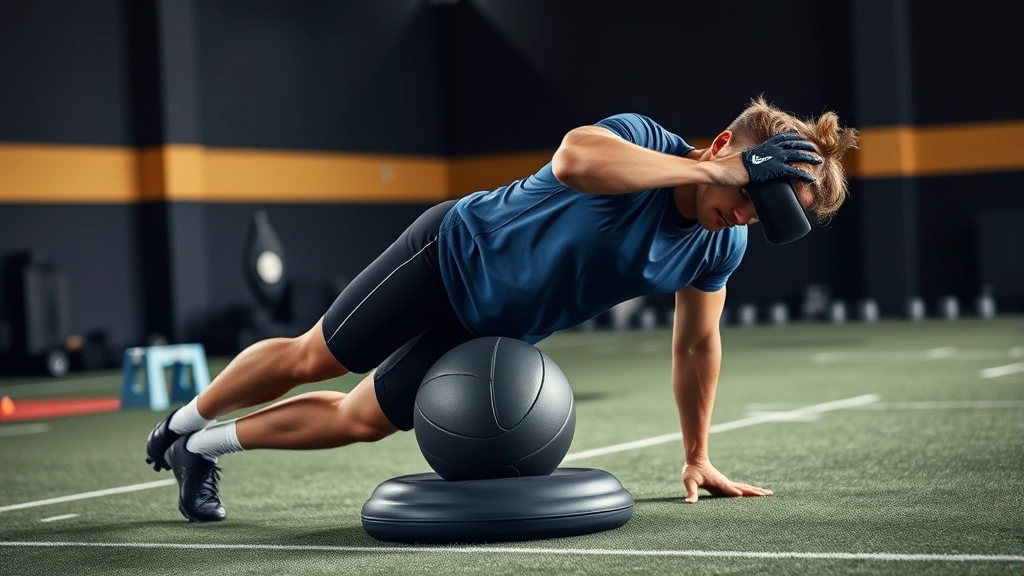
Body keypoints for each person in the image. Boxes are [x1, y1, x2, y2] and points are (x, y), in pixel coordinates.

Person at [145, 95, 859, 522]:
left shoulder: (715, 249)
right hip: (447, 254)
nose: (742, 218)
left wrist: (697, 454)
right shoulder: (644, 142)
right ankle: (180, 422)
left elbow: (698, 347)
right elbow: (577, 159)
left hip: (490, 328)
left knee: (359, 420)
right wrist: (708, 170)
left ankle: (199, 452)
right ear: (727, 148)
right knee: (313, 356)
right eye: (750, 197)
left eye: (760, 219)